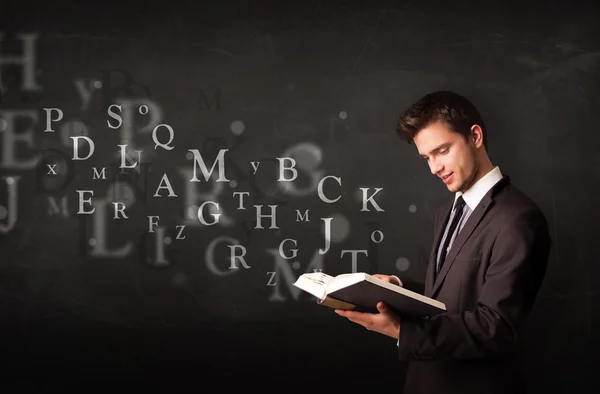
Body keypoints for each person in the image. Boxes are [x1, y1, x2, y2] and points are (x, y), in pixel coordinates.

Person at [335, 91, 552, 394]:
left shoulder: (519, 218)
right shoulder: (446, 211)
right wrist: (396, 287)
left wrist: (401, 330)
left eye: (442, 151)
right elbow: (451, 299)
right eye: (426, 157)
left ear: (475, 136)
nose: (433, 168)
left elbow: (496, 327)